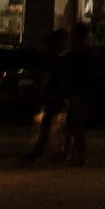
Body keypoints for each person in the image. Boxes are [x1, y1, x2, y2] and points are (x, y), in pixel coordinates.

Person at [22, 28, 69, 163]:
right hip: (54, 95)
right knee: (51, 124)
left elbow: (50, 78)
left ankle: (49, 150)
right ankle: (52, 150)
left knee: (51, 124)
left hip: (55, 95)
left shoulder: (57, 60)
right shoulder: (58, 59)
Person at [58, 22, 97, 164]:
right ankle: (69, 152)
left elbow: (80, 76)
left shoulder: (81, 54)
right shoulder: (83, 54)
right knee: (70, 125)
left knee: (75, 125)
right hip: (77, 93)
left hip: (78, 94)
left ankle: (78, 154)